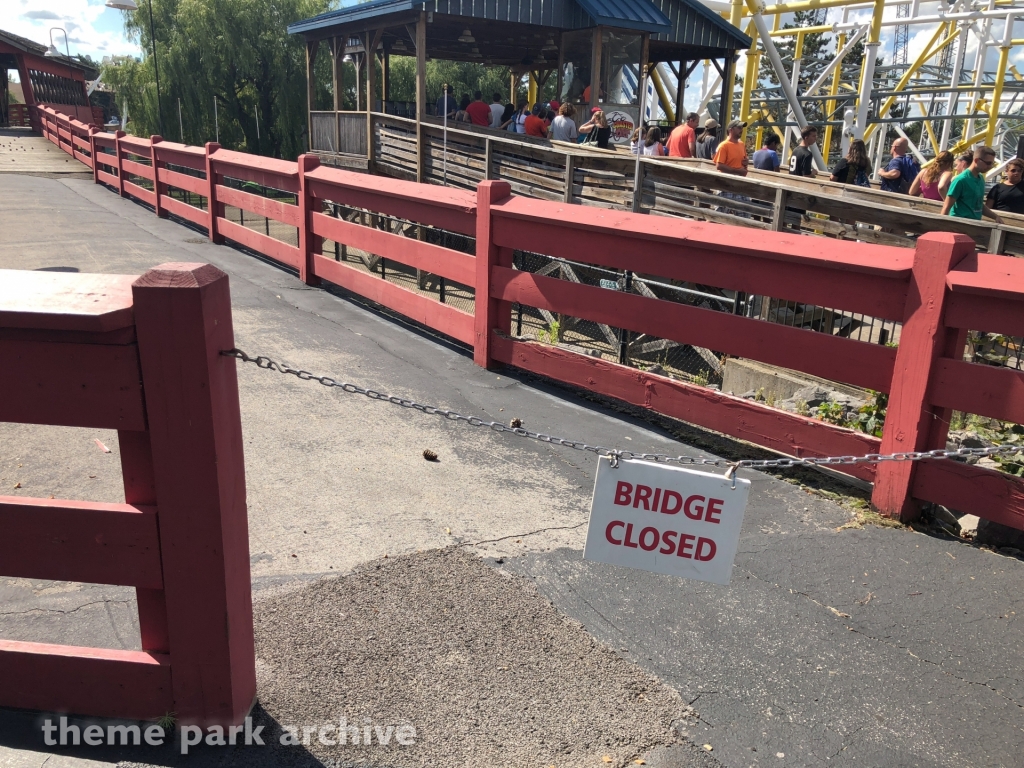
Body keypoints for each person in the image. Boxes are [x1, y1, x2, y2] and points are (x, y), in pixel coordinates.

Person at [941, 145, 1002, 222]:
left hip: (974, 226)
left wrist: (996, 217)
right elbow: (946, 206)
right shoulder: (961, 180)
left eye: (992, 163)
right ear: (976, 160)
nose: (990, 166)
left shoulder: (980, 179)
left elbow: (979, 205)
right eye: (988, 163)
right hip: (958, 224)